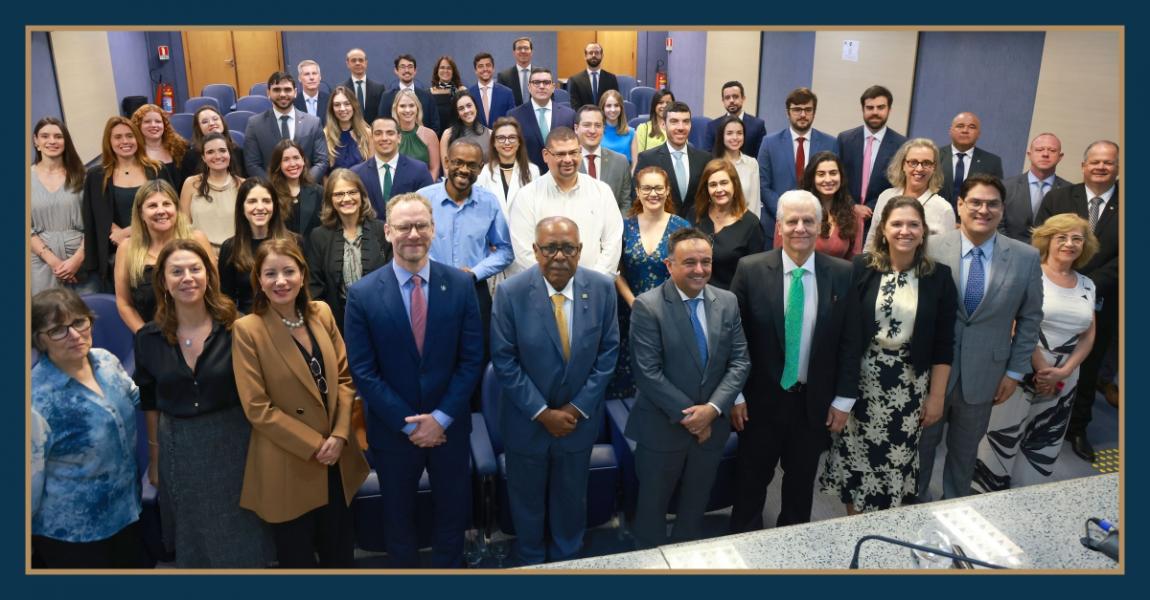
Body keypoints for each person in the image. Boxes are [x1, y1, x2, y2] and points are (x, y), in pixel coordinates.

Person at [344, 193, 484, 568]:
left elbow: (471, 361)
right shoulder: (361, 295)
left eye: (421, 225)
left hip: (449, 429)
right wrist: (410, 425)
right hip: (393, 433)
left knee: (453, 517)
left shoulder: (460, 285)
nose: (413, 234)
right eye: (404, 226)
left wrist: (440, 418)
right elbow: (363, 371)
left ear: (433, 229)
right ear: (388, 231)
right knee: (398, 521)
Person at [134, 238, 274, 567]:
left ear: (209, 276)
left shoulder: (237, 327)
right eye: (177, 271)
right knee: (193, 543)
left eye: (196, 269)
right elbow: (150, 399)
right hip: (179, 450)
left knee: (240, 541)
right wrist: (155, 458)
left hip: (234, 445)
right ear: (163, 282)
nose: (188, 278)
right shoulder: (148, 338)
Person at [728, 190, 861, 530]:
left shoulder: (843, 274)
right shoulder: (751, 270)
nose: (800, 227)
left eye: (808, 221)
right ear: (779, 227)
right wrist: (737, 395)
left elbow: (850, 342)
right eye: (792, 221)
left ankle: (793, 555)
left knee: (800, 490)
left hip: (812, 404)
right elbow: (734, 340)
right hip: (758, 404)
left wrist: (844, 400)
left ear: (821, 226)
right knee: (749, 486)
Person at [490, 216, 620, 564]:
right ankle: (532, 561)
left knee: (571, 498)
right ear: (535, 251)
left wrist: (576, 409)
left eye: (568, 248)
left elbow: (608, 354)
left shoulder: (602, 288)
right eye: (550, 248)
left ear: (580, 250)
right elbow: (504, 360)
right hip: (527, 423)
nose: (559, 256)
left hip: (578, 424)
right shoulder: (510, 292)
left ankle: (569, 560)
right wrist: (543, 413)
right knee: (526, 502)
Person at [233, 238, 369, 568]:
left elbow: (346, 379)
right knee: (298, 562)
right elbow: (257, 407)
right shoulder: (246, 329)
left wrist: (338, 436)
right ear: (259, 281)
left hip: (336, 460)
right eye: (270, 274)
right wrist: (316, 445)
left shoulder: (321, 313)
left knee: (341, 557)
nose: (281, 281)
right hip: (288, 461)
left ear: (303, 274)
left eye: (289, 271)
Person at [819, 196, 957, 513]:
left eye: (913, 224)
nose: (904, 231)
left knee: (893, 462)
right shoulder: (861, 268)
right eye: (897, 223)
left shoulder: (939, 277)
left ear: (923, 232)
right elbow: (843, 334)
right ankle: (854, 527)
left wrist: (936, 397)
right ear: (883, 230)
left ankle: (882, 532)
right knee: (855, 458)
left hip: (908, 386)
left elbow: (944, 344)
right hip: (862, 380)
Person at [917, 173, 1044, 502]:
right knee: (920, 450)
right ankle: (912, 510)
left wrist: (1015, 371)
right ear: (960, 204)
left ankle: (954, 515)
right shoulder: (930, 247)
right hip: (931, 372)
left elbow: (1030, 318)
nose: (983, 210)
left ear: (1003, 210)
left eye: (992, 204)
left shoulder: (1025, 257)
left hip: (987, 374)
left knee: (963, 455)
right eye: (975, 202)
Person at [627, 228, 750, 547]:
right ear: (669, 265)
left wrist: (710, 412)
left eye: (705, 262)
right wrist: (693, 419)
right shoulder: (647, 306)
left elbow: (739, 362)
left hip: (711, 431)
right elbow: (647, 374)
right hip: (662, 430)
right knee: (652, 510)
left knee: (695, 509)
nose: (699, 270)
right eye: (690, 262)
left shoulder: (727, 302)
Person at [974, 214, 1097, 492]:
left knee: (1043, 442)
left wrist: (1064, 371)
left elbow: (1089, 334)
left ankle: (1026, 501)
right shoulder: (1029, 272)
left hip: (1064, 380)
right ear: (1047, 239)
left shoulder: (1087, 284)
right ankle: (985, 496)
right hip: (1022, 370)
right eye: (1062, 237)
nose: (1069, 244)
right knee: (1000, 439)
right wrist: (1043, 369)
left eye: (1077, 238)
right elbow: (1014, 323)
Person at [31, 288, 146, 568]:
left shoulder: (106, 361)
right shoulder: (35, 399)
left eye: (80, 322)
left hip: (125, 512)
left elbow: (133, 398)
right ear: (39, 340)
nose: (75, 335)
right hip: (74, 535)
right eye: (58, 329)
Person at [1035, 140, 1119, 463]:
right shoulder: (1059, 197)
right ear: (1083, 166)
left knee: (1090, 361)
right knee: (1042, 351)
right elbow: (1041, 239)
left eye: (1108, 163)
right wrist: (1064, 279)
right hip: (1051, 292)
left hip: (1103, 297)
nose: (1100, 167)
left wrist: (1087, 285)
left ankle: (1078, 426)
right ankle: (1036, 414)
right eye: (1094, 162)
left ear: (1117, 168)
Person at [420, 138, 513, 349]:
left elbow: (506, 250)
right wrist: (440, 271)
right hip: (430, 287)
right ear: (446, 161)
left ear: (481, 168)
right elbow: (410, 243)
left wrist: (475, 272)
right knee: (433, 351)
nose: (464, 169)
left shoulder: (489, 202)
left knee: (477, 352)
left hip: (473, 289)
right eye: (458, 162)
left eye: (472, 165)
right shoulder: (423, 199)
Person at [607, 166, 690, 400]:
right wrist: (634, 303)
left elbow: (688, 272)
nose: (653, 193)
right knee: (627, 383)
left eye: (658, 188)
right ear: (637, 191)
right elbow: (615, 270)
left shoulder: (682, 227)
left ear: (667, 191)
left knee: (665, 381)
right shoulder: (624, 227)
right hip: (630, 312)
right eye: (646, 188)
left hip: (670, 314)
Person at [507, 127, 622, 277]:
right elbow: (524, 253)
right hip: (544, 292)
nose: (568, 160)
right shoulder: (526, 197)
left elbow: (612, 244)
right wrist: (555, 285)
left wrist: (592, 282)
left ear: (580, 152)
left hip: (593, 288)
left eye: (573, 152)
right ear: (545, 155)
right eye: (560, 154)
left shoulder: (601, 192)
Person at [82, 116, 173, 289]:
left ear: (137, 138)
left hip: (156, 246)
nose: (125, 141)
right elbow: (94, 214)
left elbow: (170, 208)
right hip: (116, 252)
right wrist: (116, 233)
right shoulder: (96, 176)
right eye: (118, 137)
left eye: (130, 136)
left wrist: (127, 233)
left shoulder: (156, 169)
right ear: (109, 142)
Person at [114, 180, 212, 333]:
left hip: (199, 333)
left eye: (167, 204)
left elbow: (213, 291)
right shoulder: (127, 249)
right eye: (152, 206)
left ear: (176, 208)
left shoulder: (197, 240)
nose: (161, 211)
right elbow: (124, 303)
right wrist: (146, 337)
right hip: (151, 336)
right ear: (141, 213)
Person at [306, 168, 391, 332]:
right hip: (337, 324)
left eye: (352, 192)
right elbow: (315, 286)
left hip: (381, 320)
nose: (346, 198)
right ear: (330, 200)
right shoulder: (319, 236)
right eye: (339, 194)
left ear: (361, 195)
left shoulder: (382, 230)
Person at [757, 87, 839, 243]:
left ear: (814, 112)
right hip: (777, 223)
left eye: (808, 110)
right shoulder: (769, 143)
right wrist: (786, 212)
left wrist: (813, 214)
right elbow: (763, 185)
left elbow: (833, 185)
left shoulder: (830, 143)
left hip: (817, 225)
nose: (803, 114)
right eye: (797, 110)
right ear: (787, 112)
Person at [31, 117, 97, 295]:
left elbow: (95, 222)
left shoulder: (84, 176)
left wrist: (77, 260)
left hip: (82, 260)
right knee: (49, 319)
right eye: (45, 136)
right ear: (36, 140)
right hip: (41, 263)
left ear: (65, 141)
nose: (52, 141)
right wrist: (55, 263)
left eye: (58, 136)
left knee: (87, 317)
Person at [863, 138, 956, 250]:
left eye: (926, 163)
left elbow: (946, 253)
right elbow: (872, 241)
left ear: (934, 167)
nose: (919, 168)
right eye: (913, 162)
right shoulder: (885, 197)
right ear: (903, 165)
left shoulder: (944, 209)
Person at [219, 178, 295, 313]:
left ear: (275, 206)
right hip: (248, 324)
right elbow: (226, 299)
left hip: (289, 321)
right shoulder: (230, 248)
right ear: (242, 207)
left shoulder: (294, 242)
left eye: (266, 201)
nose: (260, 207)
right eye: (252, 201)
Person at [837, 85, 908, 219]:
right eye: (870, 107)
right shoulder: (845, 140)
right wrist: (852, 206)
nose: (875, 112)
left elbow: (899, 184)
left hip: (882, 216)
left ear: (889, 110)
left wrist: (872, 208)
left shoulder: (902, 145)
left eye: (880, 107)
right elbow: (838, 178)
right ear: (862, 109)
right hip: (846, 215)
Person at [694, 159, 765, 290]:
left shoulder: (751, 224)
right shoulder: (696, 215)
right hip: (696, 297)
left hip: (732, 301)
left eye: (724, 183)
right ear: (706, 188)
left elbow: (755, 275)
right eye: (713, 185)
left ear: (735, 185)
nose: (719, 189)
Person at [243, 71, 328, 181]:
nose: (282, 94)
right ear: (268, 93)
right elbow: (252, 164)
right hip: (271, 192)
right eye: (277, 90)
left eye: (287, 89)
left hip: (306, 190)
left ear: (295, 92)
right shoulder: (254, 124)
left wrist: (303, 185)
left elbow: (322, 161)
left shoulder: (313, 123)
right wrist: (274, 188)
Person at [634, 101, 711, 219]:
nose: (681, 127)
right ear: (664, 125)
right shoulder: (647, 159)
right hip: (660, 229)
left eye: (686, 122)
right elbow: (636, 198)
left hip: (696, 230)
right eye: (674, 122)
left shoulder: (705, 159)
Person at [352, 116, 434, 216]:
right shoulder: (357, 173)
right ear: (372, 138)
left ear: (399, 138)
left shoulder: (419, 170)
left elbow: (428, 208)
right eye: (378, 133)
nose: (384, 138)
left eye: (390, 133)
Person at [1000, 132, 1070, 244]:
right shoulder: (1005, 187)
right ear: (1029, 154)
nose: (1045, 154)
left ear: (1060, 157)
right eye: (1039, 150)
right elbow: (997, 224)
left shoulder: (1069, 192)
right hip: (1008, 253)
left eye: (1052, 150)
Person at [179, 132, 243, 250]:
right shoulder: (190, 184)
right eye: (210, 152)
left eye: (222, 150)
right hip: (199, 253)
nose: (217, 156)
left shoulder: (243, 185)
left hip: (236, 253)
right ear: (203, 157)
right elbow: (183, 226)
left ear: (229, 154)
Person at [794, 151, 864, 259]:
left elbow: (854, 261)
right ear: (811, 178)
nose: (828, 179)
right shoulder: (794, 210)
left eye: (833, 173)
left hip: (840, 275)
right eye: (821, 174)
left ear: (841, 176)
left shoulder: (854, 215)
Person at [507, 67, 576, 173]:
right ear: (529, 87)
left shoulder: (568, 115)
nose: (542, 86)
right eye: (536, 82)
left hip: (561, 174)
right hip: (527, 176)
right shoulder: (514, 116)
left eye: (546, 82)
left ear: (553, 87)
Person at [475, 117, 539, 218]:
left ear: (519, 142)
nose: (507, 142)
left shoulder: (532, 171)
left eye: (512, 137)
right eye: (501, 138)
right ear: (494, 143)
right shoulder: (484, 173)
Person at [939, 112, 1005, 208]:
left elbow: (996, 199)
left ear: (978, 134)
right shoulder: (934, 156)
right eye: (960, 126)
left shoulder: (992, 162)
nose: (965, 130)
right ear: (950, 131)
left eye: (972, 127)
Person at [575, 104, 633, 213]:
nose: (592, 131)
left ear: (603, 129)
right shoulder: (567, 162)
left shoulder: (621, 162)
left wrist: (617, 228)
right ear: (576, 128)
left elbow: (626, 203)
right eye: (587, 125)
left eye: (597, 125)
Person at [268, 139, 323, 240]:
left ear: (303, 160)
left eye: (296, 158)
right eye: (286, 159)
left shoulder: (319, 192)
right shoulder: (269, 193)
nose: (292, 164)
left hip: (312, 253)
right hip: (282, 252)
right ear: (278, 165)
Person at [377, 54, 442, 136]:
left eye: (410, 66)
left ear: (415, 71)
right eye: (402, 67)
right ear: (396, 71)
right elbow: (382, 124)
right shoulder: (387, 97)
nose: (406, 70)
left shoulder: (427, 96)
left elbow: (435, 125)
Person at [711, 115, 761, 219]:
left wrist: (753, 226)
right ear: (722, 136)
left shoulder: (752, 163)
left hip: (745, 223)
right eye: (729, 133)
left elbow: (754, 203)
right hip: (718, 221)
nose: (735, 138)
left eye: (739, 133)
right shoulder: (712, 164)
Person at [131, 103, 190, 193]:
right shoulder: (133, 153)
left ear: (164, 125)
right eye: (147, 122)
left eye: (158, 121)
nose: (154, 125)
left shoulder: (180, 148)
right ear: (138, 125)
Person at [181, 105, 247, 182]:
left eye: (215, 119)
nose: (212, 123)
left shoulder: (237, 151)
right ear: (198, 128)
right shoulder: (190, 156)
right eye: (205, 122)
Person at [702, 80, 767, 158]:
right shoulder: (713, 126)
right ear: (723, 101)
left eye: (735, 96)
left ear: (743, 98)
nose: (731, 100)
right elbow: (707, 156)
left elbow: (761, 156)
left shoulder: (757, 125)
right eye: (727, 98)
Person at [391, 89, 443, 181]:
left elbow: (434, 169)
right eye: (402, 106)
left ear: (417, 108)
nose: (407, 110)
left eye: (411, 105)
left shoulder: (430, 135)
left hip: (423, 190)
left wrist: (425, 189)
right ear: (396, 109)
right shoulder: (390, 136)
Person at [322, 85, 372, 172]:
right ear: (332, 109)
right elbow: (324, 174)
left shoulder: (367, 133)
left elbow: (372, 170)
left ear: (354, 106)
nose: (342, 108)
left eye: (347, 104)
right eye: (337, 105)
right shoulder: (325, 135)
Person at [439, 91, 492, 162]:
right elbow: (446, 168)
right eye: (461, 108)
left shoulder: (491, 134)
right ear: (457, 113)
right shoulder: (447, 135)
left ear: (476, 107)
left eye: (469, 106)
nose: (466, 111)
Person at [566, 43, 619, 110]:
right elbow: (575, 107)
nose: (594, 55)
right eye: (590, 53)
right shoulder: (575, 80)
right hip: (585, 119)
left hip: (605, 118)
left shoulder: (611, 78)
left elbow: (615, 103)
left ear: (602, 56)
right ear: (585, 56)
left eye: (597, 53)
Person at [469, 52, 516, 128]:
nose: (485, 69)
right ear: (475, 70)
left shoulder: (507, 93)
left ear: (493, 68)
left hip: (500, 138)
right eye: (480, 66)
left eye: (488, 65)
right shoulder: (468, 94)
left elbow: (512, 121)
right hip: (475, 139)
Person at [341, 47, 386, 125]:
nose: (357, 63)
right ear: (348, 64)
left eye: (361, 60)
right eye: (353, 60)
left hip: (373, 133)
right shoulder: (341, 89)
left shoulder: (379, 89)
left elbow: (382, 115)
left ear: (366, 63)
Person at [429, 56, 468, 135]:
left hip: (458, 135)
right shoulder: (429, 93)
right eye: (442, 68)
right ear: (437, 71)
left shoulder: (461, 91)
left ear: (453, 71)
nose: (445, 71)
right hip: (436, 136)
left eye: (449, 68)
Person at [497, 36, 538, 106]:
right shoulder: (503, 77)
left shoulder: (541, 75)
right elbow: (501, 103)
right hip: (513, 116)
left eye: (526, 48)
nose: (523, 51)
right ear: (514, 52)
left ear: (531, 52)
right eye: (519, 48)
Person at [599, 89, 637, 165]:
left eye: (616, 105)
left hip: (625, 175)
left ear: (621, 108)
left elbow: (635, 163)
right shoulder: (597, 132)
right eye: (608, 106)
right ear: (602, 108)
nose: (613, 110)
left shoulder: (631, 133)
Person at [634, 88, 674, 152]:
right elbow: (639, 157)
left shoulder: (678, 128)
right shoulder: (643, 129)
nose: (664, 105)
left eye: (668, 103)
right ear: (654, 106)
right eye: (660, 102)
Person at [293, 59, 330, 124]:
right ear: (299, 78)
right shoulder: (293, 103)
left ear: (320, 77)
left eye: (314, 73)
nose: (311, 77)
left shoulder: (330, 100)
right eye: (307, 74)